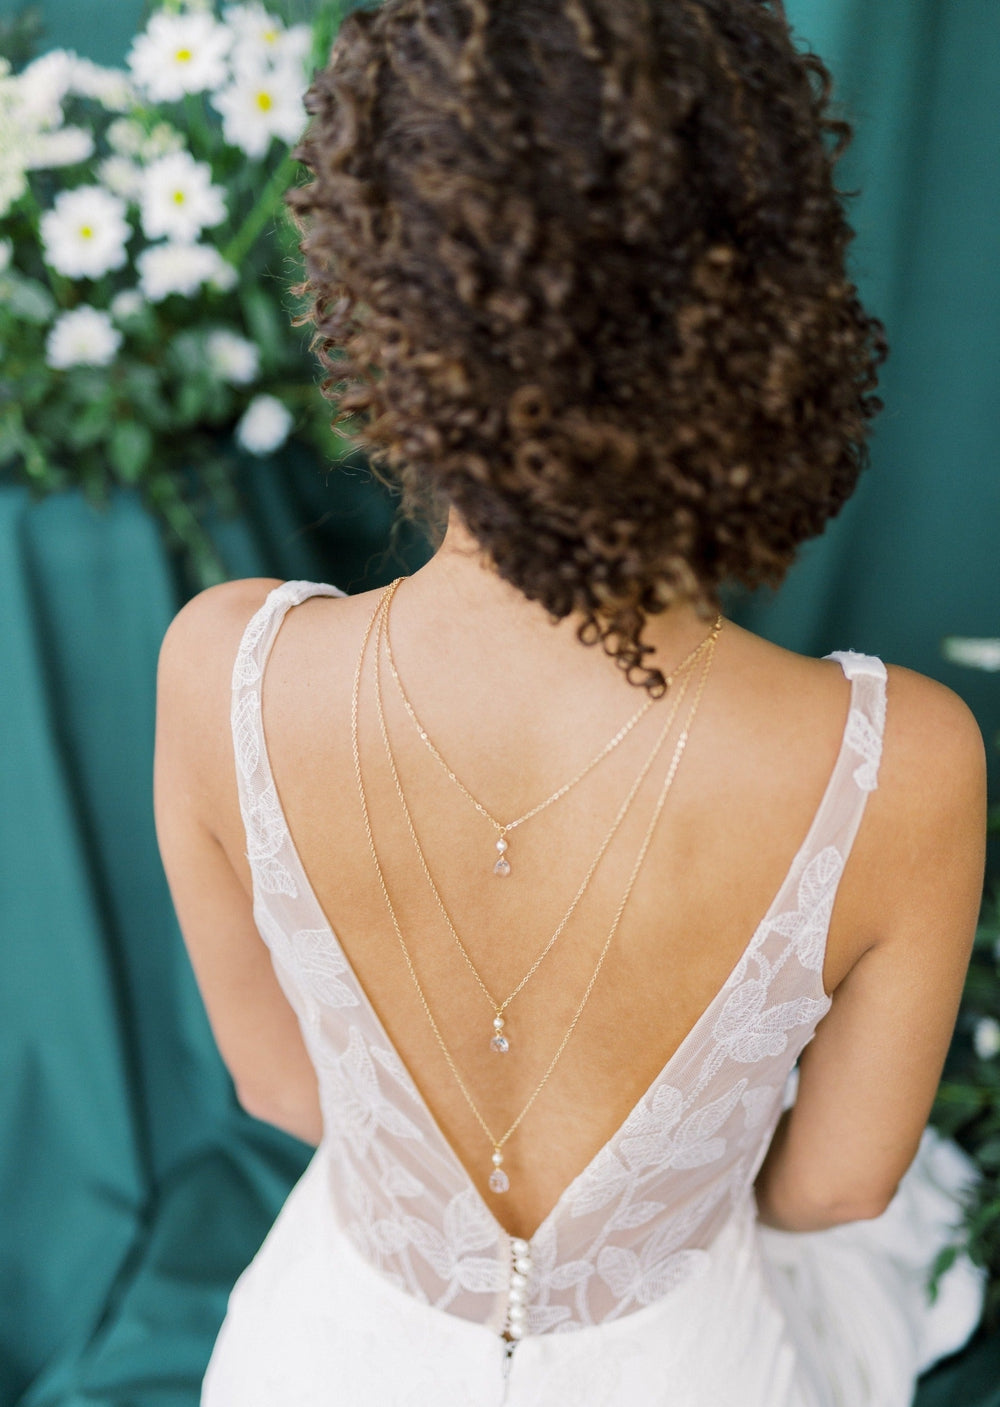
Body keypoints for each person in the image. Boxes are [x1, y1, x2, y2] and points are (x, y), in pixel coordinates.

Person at [154, 1, 988, 1402]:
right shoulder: (905, 757)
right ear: (765, 302)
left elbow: (278, 1088)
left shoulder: (219, 665)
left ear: (378, 283)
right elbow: (842, 1189)